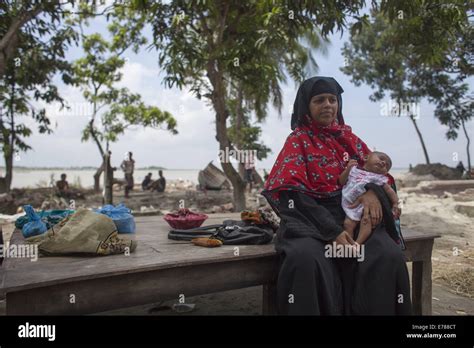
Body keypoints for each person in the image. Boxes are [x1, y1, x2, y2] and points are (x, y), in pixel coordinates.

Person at [262, 76, 411, 315]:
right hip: (310, 221)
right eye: (319, 100)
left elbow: (382, 175)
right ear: (306, 107)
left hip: (354, 217)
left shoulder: (350, 140)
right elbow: (292, 197)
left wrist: (372, 193)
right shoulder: (298, 141)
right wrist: (331, 231)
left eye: (333, 99)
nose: (328, 105)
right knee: (305, 259)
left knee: (387, 254)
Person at [339, 152, 400, 245]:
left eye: (387, 165)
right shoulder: (354, 170)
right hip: (351, 204)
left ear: (385, 172)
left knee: (366, 221)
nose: (383, 163)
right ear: (366, 157)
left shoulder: (379, 178)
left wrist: (395, 203)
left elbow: (390, 192)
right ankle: (349, 243)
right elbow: (341, 181)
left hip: (366, 207)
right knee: (348, 224)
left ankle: (358, 243)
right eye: (381, 158)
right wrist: (348, 170)